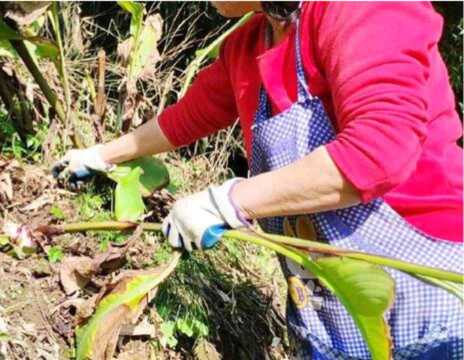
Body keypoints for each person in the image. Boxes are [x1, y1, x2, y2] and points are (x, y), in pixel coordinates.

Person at [52, 2, 463, 358]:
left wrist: (229, 201)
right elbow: (189, 116)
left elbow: (379, 149)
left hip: (428, 285)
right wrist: (101, 155)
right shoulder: (251, 44)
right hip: (328, 298)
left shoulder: (365, 9)